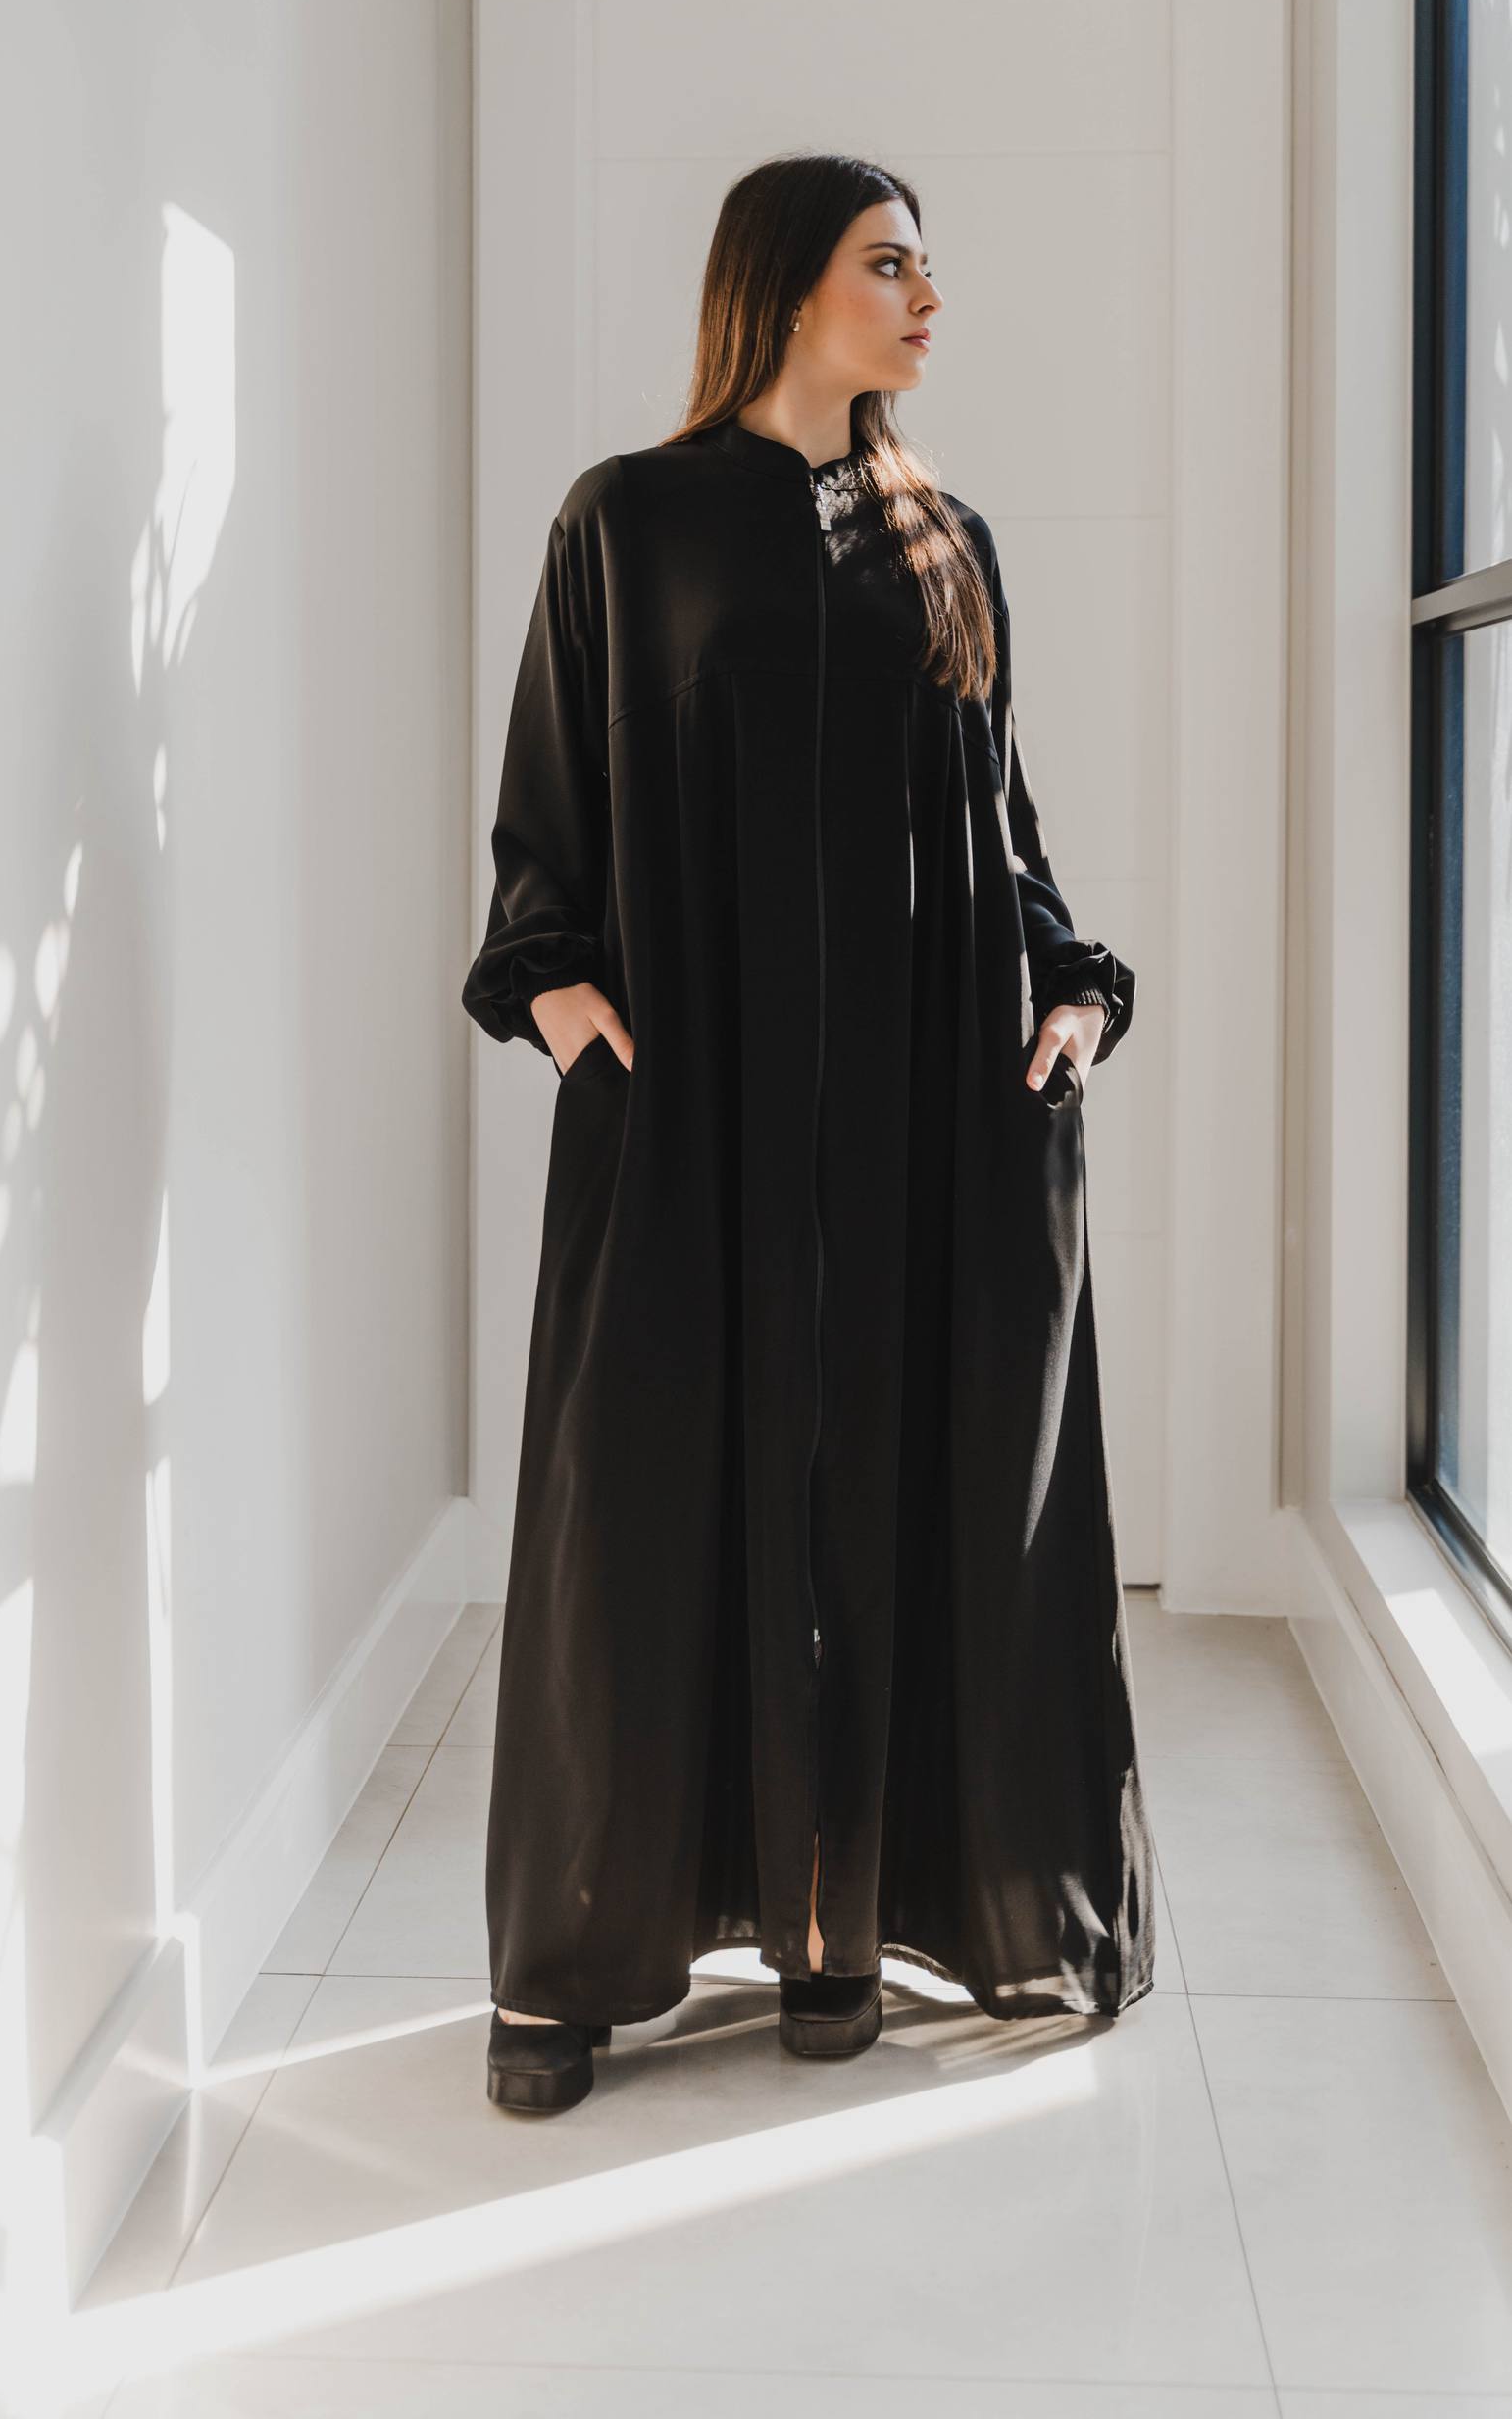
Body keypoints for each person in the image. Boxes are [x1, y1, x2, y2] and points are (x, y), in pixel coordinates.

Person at [462, 152, 1156, 2113]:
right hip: (694, 1109)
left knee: (887, 1491)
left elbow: (1000, 825)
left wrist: (1073, 987)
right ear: (781, 282)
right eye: (889, 265)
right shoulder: (628, 519)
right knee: (641, 1507)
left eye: (926, 269)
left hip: (927, 1112)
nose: (927, 301)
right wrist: (560, 995)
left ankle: (837, 1931)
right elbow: (549, 811)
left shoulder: (947, 539)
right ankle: (574, 1960)